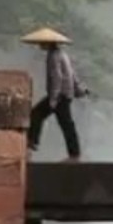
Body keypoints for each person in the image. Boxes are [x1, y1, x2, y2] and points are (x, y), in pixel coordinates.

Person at [22, 27, 88, 162]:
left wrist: (53, 98)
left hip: (60, 96)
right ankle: (73, 154)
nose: (40, 45)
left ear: (48, 43)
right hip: (65, 95)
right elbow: (72, 75)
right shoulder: (63, 54)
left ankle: (32, 144)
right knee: (66, 124)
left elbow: (57, 77)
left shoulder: (53, 56)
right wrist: (78, 91)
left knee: (38, 114)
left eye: (42, 43)